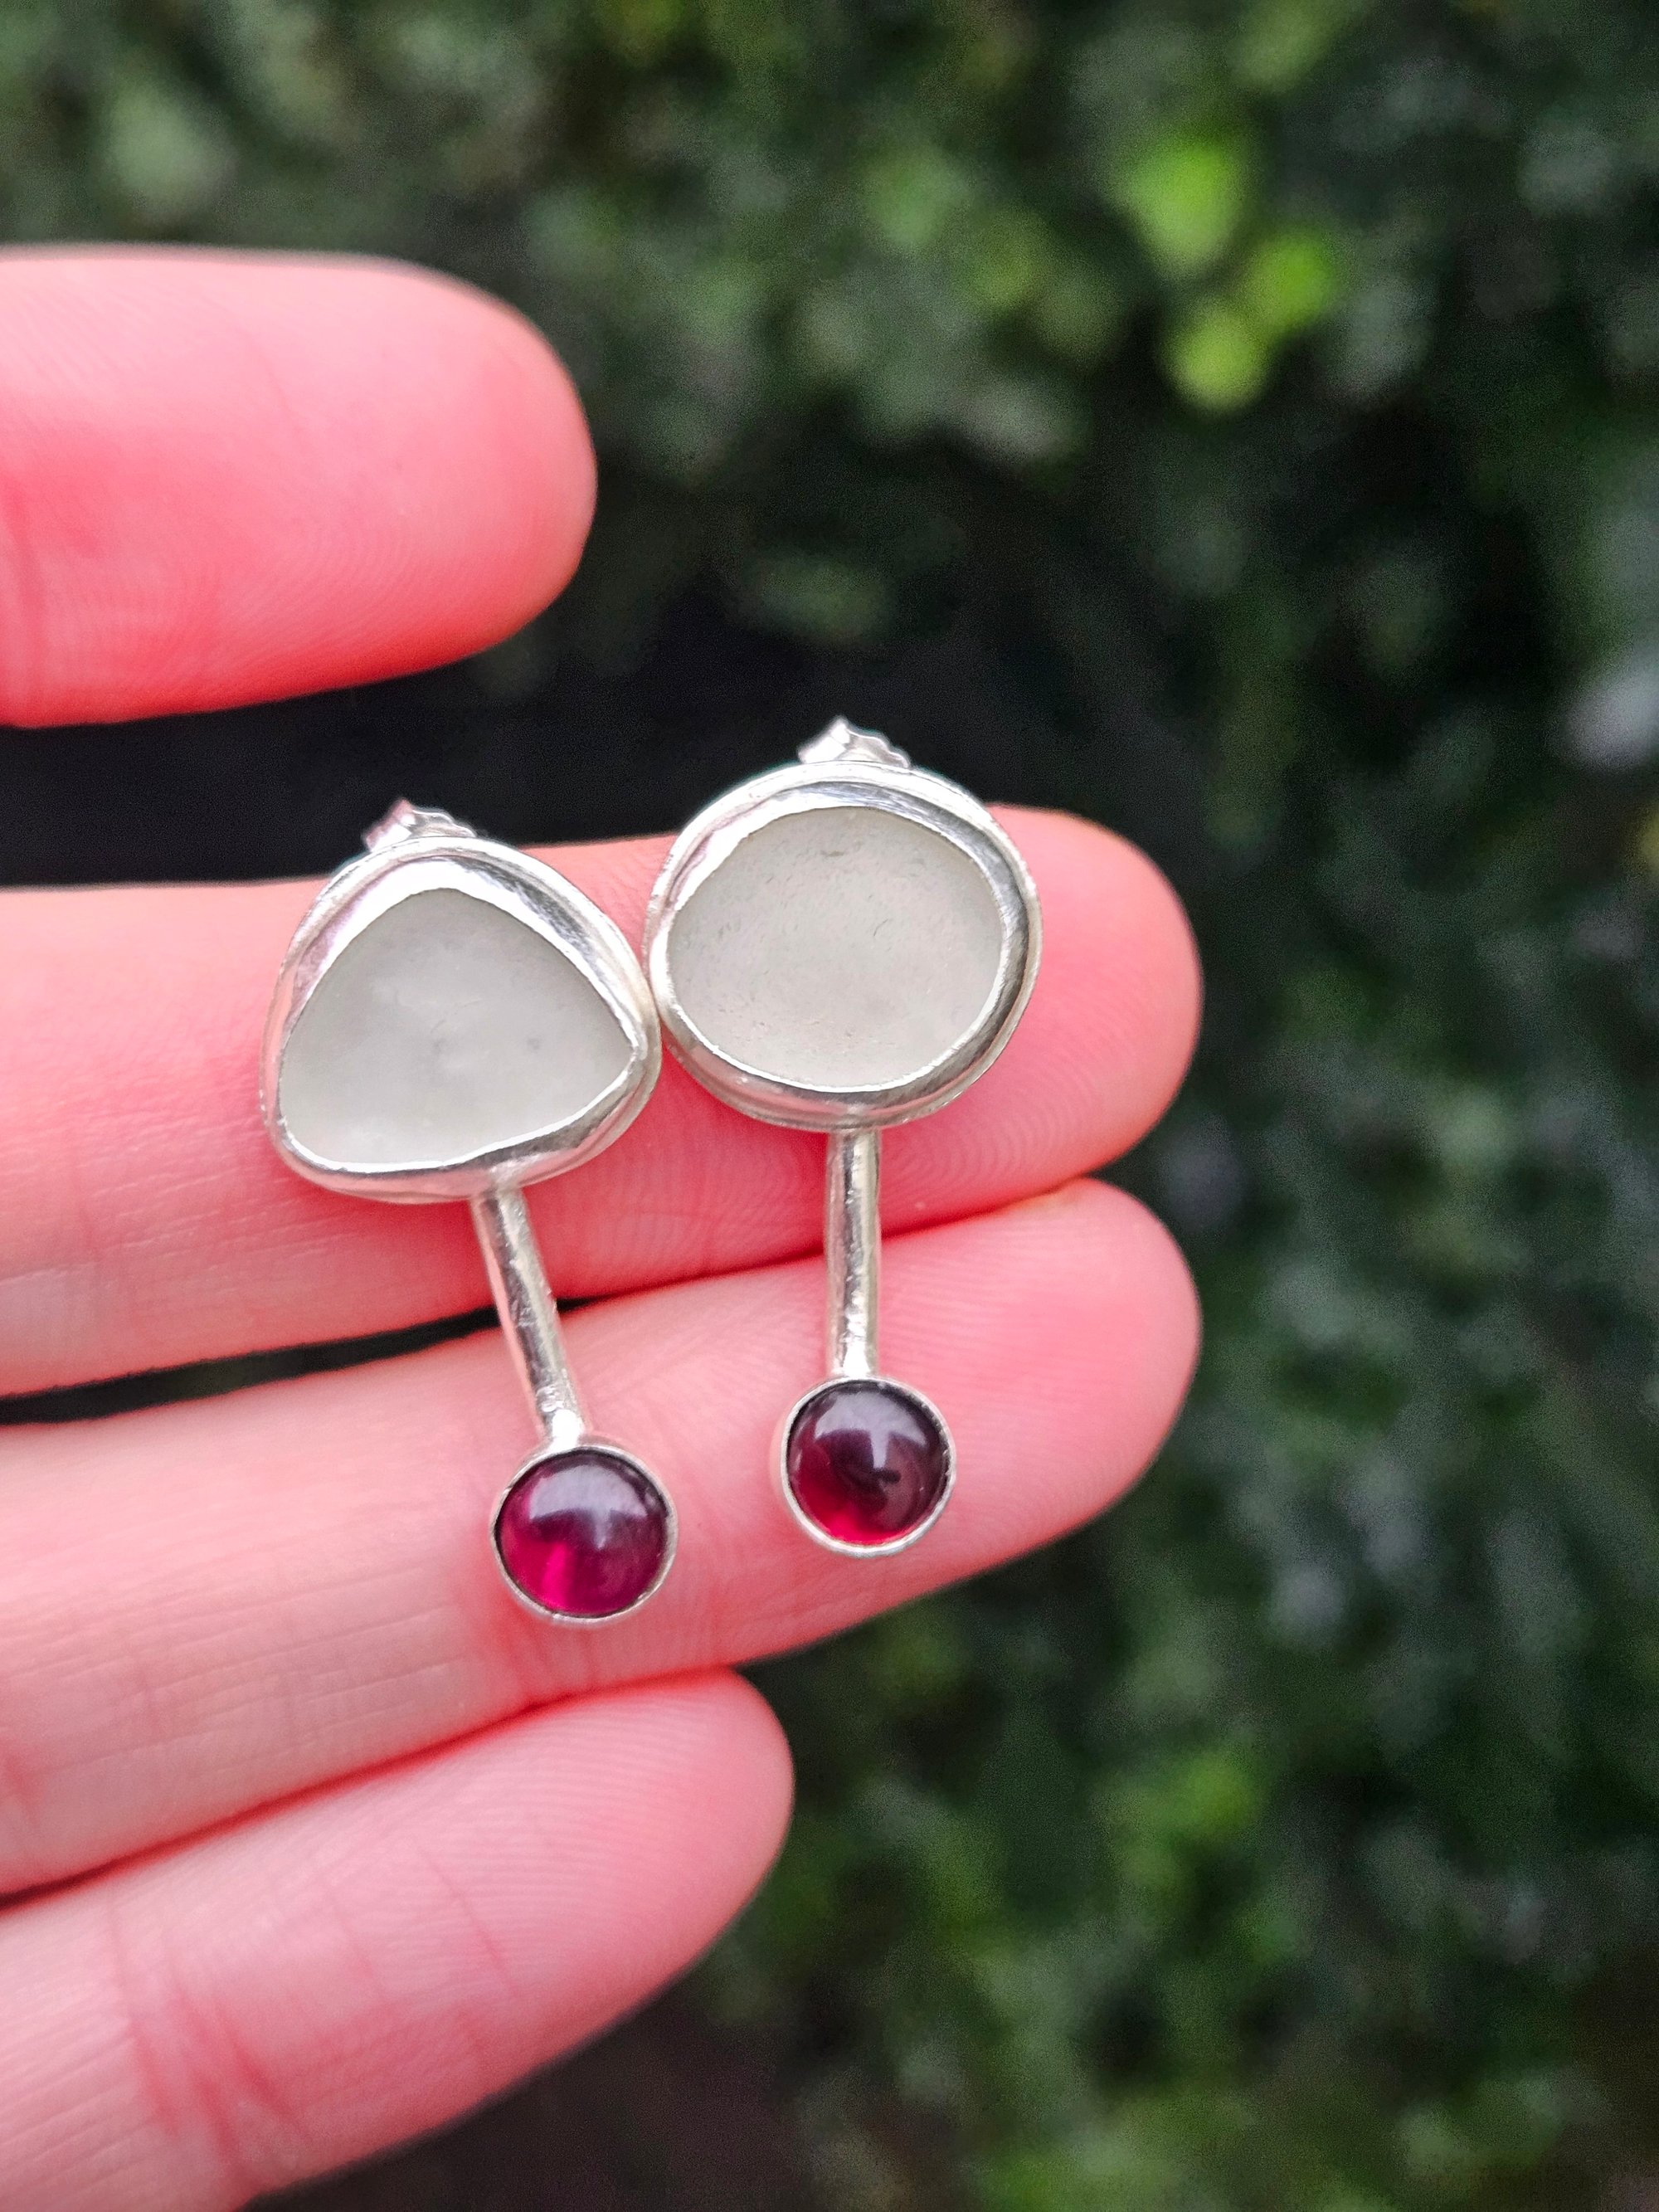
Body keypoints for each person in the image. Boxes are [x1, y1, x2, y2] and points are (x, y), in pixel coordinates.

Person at [0, 249, 1202, 2210]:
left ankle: (731, 1443)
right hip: (524, 1078)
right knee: (644, 1392)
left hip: (664, 1051)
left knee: (768, 1362)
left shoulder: (773, 972)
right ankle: (652, 1460)